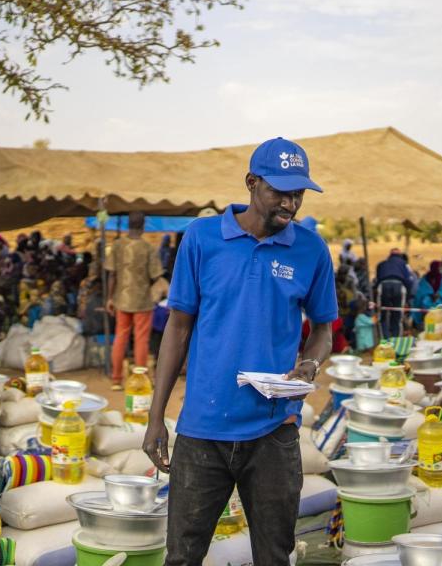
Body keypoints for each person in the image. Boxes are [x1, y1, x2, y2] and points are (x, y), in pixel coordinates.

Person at [143, 137, 336, 565]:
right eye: (280, 191)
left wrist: (310, 361)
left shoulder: (310, 249)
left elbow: (323, 328)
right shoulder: (203, 237)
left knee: (273, 555)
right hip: (203, 428)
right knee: (182, 556)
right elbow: (178, 327)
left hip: (274, 431)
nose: (290, 203)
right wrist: (157, 417)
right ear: (251, 183)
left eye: (298, 193)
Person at [105, 211, 165, 390]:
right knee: (141, 340)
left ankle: (116, 380)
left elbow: (111, 275)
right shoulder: (148, 248)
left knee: (120, 338)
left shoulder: (117, 245)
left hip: (121, 299)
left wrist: (109, 298)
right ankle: (141, 379)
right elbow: (156, 276)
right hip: (142, 301)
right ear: (144, 226)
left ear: (127, 225)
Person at [375, 249, 414, 337]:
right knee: (397, 316)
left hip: (383, 286)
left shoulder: (382, 264)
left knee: (382, 315)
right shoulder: (404, 264)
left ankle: (384, 341)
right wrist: (407, 298)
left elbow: (377, 280)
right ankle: (397, 340)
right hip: (399, 286)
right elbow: (409, 281)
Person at [412, 260, 442, 328]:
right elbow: (422, 290)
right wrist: (430, 294)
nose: (440, 269)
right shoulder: (426, 277)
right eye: (439, 267)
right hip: (428, 298)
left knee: (441, 304)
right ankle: (423, 322)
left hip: (441, 298)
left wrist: (439, 294)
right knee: (424, 302)